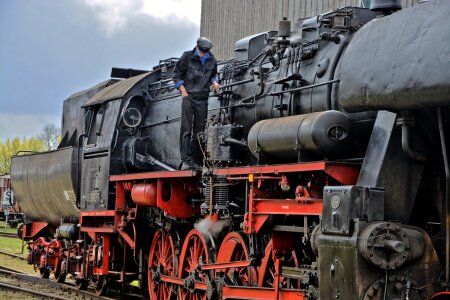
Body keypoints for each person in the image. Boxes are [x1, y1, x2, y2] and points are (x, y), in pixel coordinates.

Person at [173, 37, 221, 170]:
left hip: (202, 98)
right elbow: (176, 75)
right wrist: (183, 92)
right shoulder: (186, 56)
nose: (202, 54)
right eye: (201, 52)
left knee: (199, 131)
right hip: (189, 97)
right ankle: (185, 160)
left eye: (205, 52)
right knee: (186, 129)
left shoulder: (212, 60)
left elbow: (214, 75)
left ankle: (195, 160)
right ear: (197, 47)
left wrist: (215, 83)